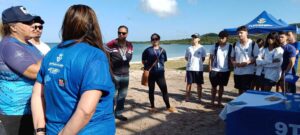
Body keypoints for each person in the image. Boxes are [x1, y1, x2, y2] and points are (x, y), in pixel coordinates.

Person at [31, 4, 115, 135]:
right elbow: (85, 111)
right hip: (90, 129)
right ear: (92, 26)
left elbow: (37, 94)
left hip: (53, 129)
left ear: (66, 25)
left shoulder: (51, 54)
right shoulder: (95, 56)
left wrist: (40, 130)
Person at [0, 6, 43, 135]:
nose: (32, 25)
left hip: (30, 111)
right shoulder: (10, 45)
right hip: (15, 115)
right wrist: (55, 55)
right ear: (13, 27)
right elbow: (34, 72)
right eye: (26, 22)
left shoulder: (27, 44)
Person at [142, 33, 177, 113]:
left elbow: (164, 60)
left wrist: (159, 67)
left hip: (160, 74)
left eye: (156, 39)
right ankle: (152, 107)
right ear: (151, 41)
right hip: (151, 73)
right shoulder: (147, 50)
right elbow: (143, 60)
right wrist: (148, 67)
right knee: (151, 90)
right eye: (153, 39)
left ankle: (168, 107)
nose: (154, 40)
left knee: (164, 90)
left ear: (159, 40)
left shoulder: (163, 50)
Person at [106, 25, 133, 121]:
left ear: (127, 34)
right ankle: (109, 114)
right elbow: (105, 59)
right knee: (112, 95)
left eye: (123, 33)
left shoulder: (130, 45)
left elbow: (129, 58)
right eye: (119, 33)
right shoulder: (111, 44)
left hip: (126, 75)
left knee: (122, 95)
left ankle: (118, 113)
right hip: (114, 75)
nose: (121, 34)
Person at [231, 26, 259, 95]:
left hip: (248, 72)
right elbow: (232, 57)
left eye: (241, 33)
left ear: (246, 33)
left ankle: (247, 105)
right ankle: (240, 105)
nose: (239, 34)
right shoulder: (235, 44)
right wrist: (234, 63)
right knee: (240, 90)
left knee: (247, 91)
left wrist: (247, 63)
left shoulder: (253, 44)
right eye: (238, 33)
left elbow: (257, 57)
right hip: (237, 72)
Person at [208, 31, 231, 107]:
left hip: (225, 70)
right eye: (219, 38)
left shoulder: (230, 47)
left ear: (227, 38)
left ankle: (219, 102)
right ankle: (212, 102)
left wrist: (230, 68)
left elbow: (231, 58)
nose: (220, 39)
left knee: (221, 87)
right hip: (214, 70)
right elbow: (210, 57)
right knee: (214, 87)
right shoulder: (214, 46)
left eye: (222, 38)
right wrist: (210, 68)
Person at [185, 33, 206, 102]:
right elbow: (186, 57)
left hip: (198, 69)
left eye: (195, 37)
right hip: (190, 68)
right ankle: (187, 97)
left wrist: (197, 63)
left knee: (199, 84)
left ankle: (199, 98)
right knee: (189, 83)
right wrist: (191, 62)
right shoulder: (189, 48)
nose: (194, 39)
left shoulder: (202, 48)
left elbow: (203, 58)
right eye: (193, 37)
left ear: (199, 39)